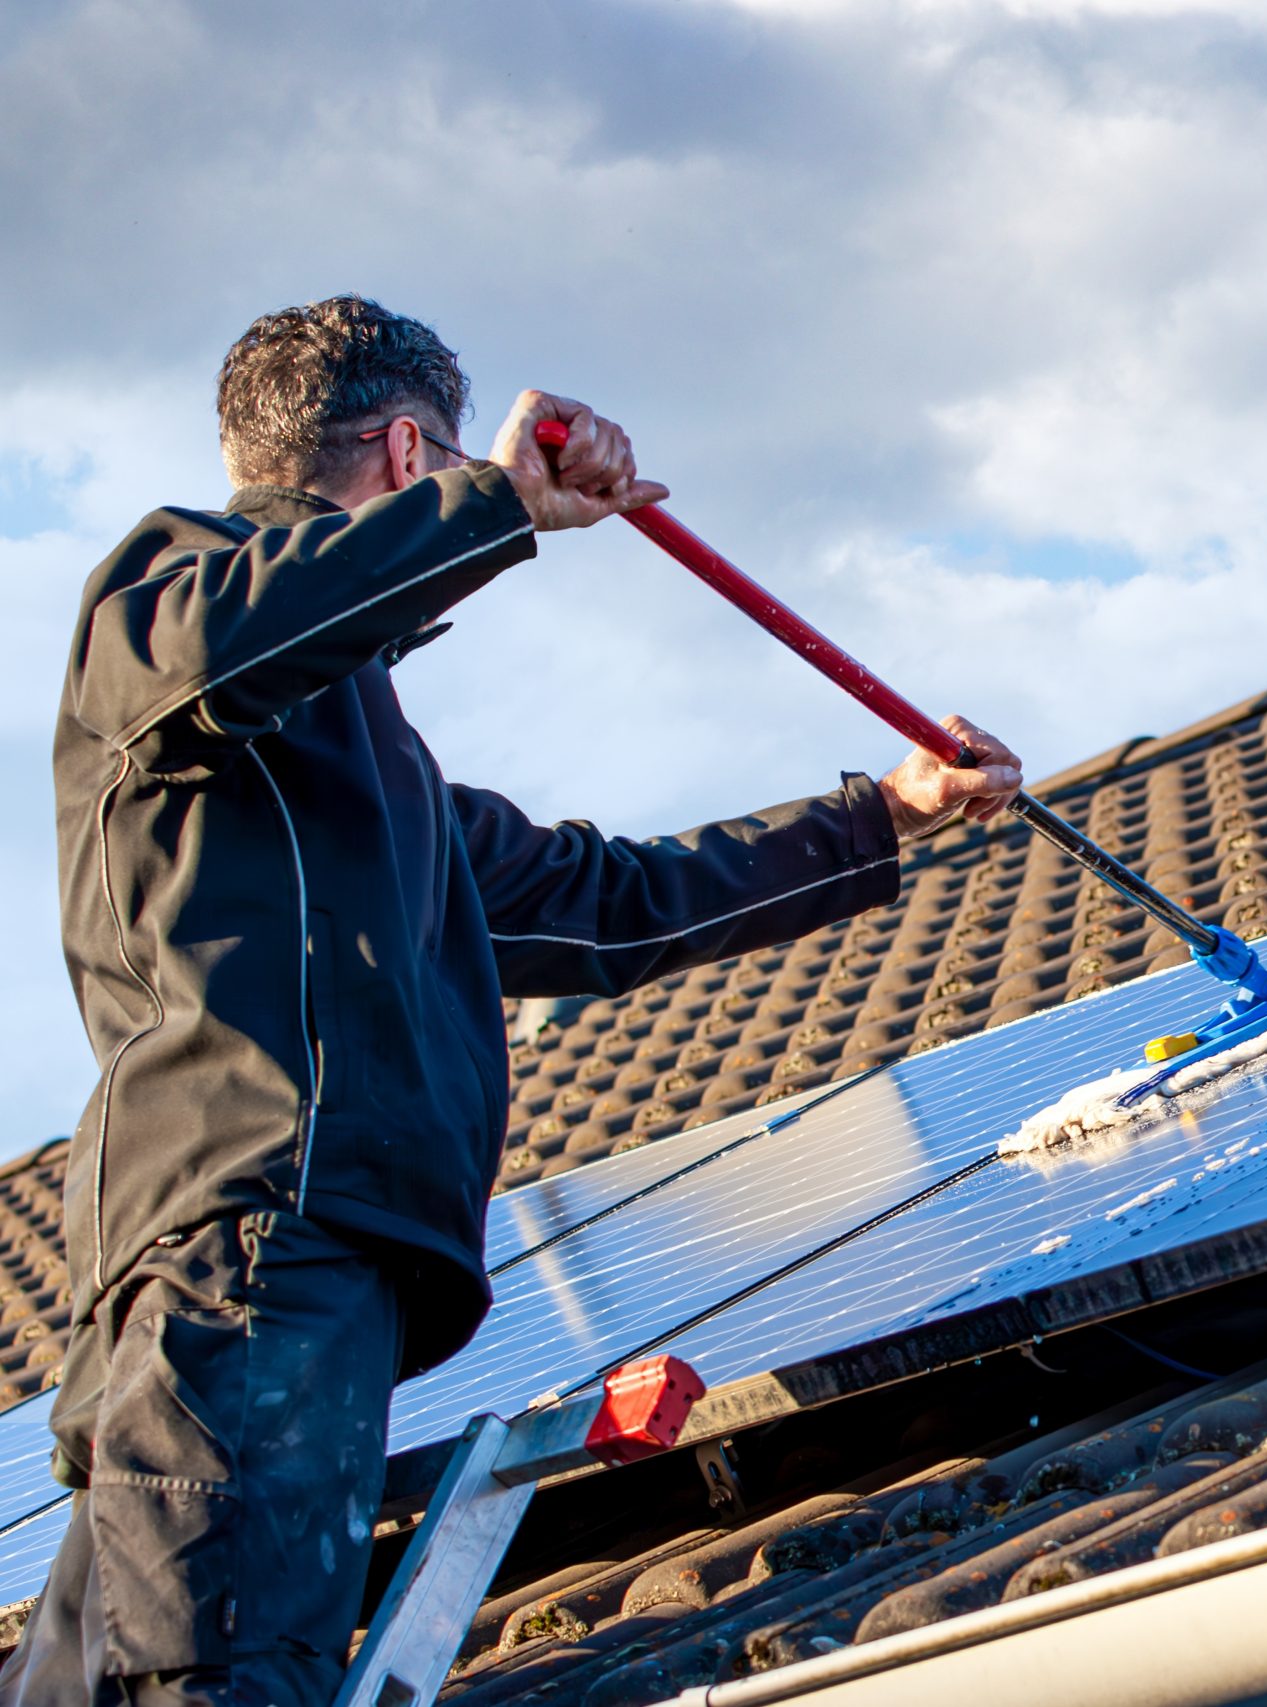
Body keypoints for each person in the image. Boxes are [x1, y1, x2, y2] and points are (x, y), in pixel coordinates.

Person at [1, 297, 1024, 1707]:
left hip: (288, 1264)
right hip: (252, 1239)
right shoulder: (170, 597)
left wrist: (880, 818)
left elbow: (611, 901)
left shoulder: (379, 782)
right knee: (220, 1675)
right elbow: (224, 645)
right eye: (454, 475)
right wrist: (503, 505)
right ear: (413, 454)